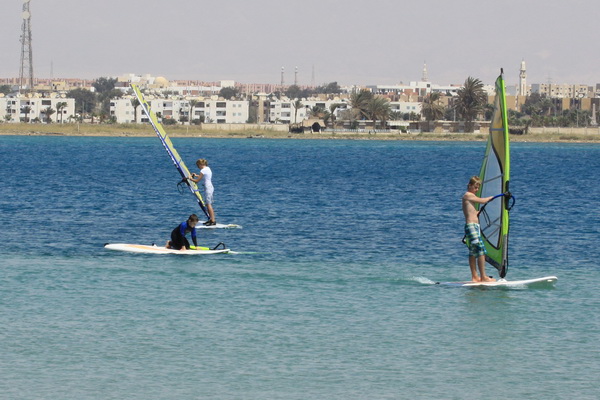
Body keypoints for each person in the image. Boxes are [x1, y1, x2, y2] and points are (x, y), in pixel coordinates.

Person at [462, 176, 496, 283]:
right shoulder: (468, 195)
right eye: (475, 187)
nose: (477, 190)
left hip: (473, 227)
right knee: (481, 251)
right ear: (470, 185)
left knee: (473, 252)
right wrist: (490, 198)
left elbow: (472, 212)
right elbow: (482, 200)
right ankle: (484, 277)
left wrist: (477, 212)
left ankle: (475, 277)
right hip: (472, 227)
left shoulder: (470, 197)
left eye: (478, 188)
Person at [190, 158, 216, 226]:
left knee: (208, 204)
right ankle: (211, 219)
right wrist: (196, 176)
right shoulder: (207, 168)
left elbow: (197, 181)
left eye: (198, 165)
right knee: (208, 204)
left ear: (200, 164)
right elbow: (204, 177)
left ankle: (213, 220)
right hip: (210, 187)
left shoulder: (203, 170)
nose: (198, 167)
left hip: (208, 188)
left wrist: (189, 178)